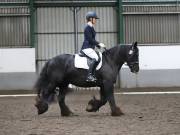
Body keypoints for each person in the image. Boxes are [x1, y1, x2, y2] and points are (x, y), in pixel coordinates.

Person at [81, 11, 106, 82]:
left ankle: (93, 74)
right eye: (94, 18)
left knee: (99, 55)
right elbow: (90, 40)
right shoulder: (87, 27)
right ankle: (89, 75)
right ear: (90, 19)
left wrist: (99, 46)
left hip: (90, 47)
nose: (95, 20)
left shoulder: (91, 27)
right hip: (86, 47)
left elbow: (92, 40)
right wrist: (99, 44)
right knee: (96, 58)